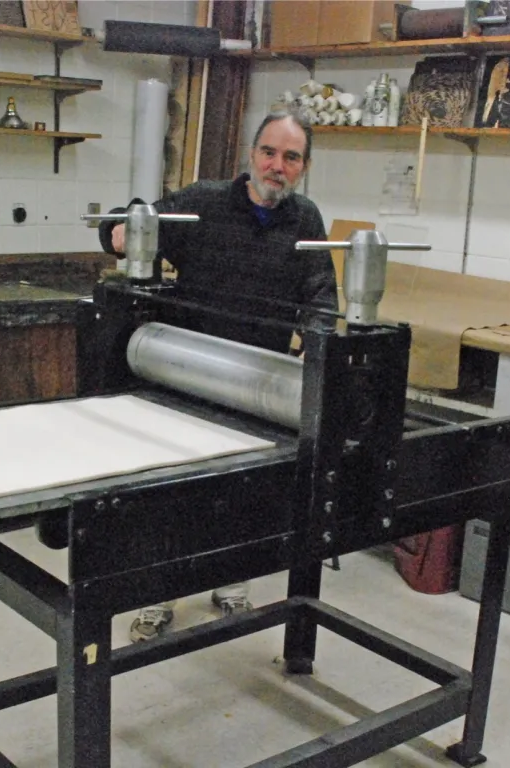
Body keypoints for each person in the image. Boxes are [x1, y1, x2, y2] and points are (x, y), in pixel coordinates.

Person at [99, 110, 336, 642]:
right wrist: (116, 231)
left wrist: (320, 355)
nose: (277, 166)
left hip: (257, 385)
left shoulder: (306, 219)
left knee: (246, 492)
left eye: (291, 158)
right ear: (252, 156)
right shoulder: (204, 202)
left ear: (304, 167)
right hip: (183, 372)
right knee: (173, 492)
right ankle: (159, 596)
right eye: (270, 153)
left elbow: (321, 295)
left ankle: (232, 586)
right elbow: (137, 219)